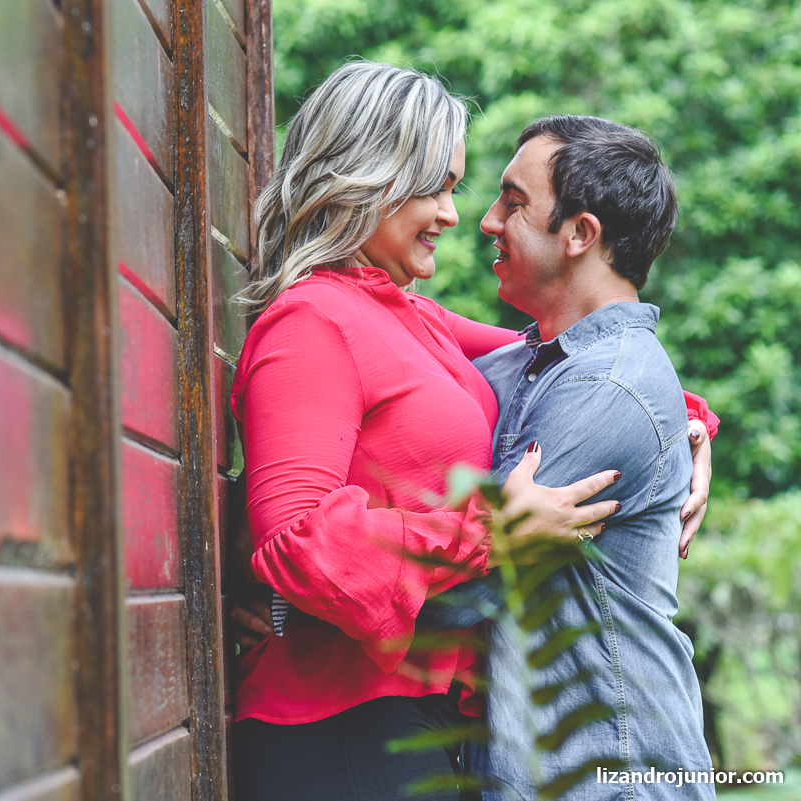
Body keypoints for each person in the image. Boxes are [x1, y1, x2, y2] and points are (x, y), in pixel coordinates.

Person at [227, 62, 716, 801]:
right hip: (341, 728)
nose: (458, 216)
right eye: (438, 187)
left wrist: (687, 424)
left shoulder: (412, 318)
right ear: (368, 179)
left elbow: (587, 364)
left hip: (428, 720)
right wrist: (491, 529)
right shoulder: (311, 322)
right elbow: (295, 539)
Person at [413, 116, 716, 800]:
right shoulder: (526, 364)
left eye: (513, 202)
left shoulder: (610, 386)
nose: (487, 222)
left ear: (580, 234)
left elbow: (460, 588)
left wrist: (291, 607)